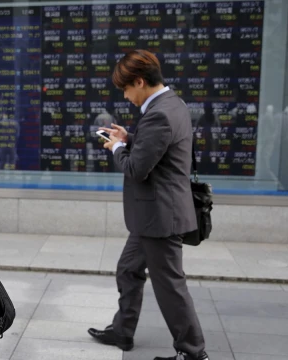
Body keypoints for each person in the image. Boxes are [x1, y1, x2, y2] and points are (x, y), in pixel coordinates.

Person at [88, 50, 209, 360]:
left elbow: (136, 169)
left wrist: (116, 147)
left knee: (170, 287)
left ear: (139, 81)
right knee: (128, 270)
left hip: (160, 216)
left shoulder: (160, 113)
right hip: (151, 214)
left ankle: (193, 353)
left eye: (126, 88)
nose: (126, 95)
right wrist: (129, 138)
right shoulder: (172, 104)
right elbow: (157, 151)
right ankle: (123, 331)